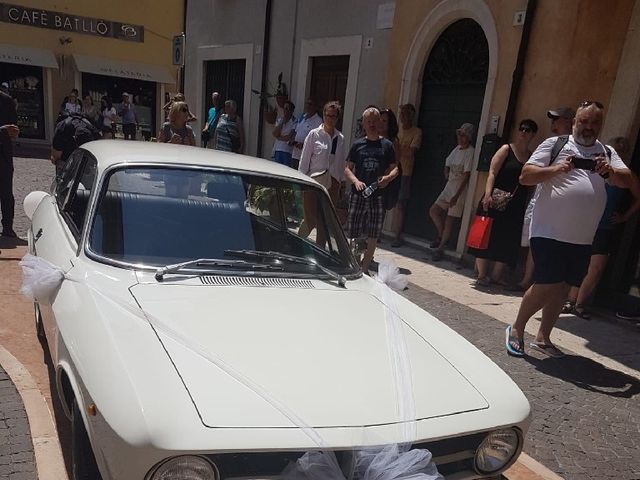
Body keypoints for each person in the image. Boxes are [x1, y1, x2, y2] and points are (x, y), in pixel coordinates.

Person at [506, 101, 633, 358]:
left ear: (600, 125)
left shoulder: (606, 152)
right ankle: (517, 328)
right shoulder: (556, 145)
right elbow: (526, 176)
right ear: (575, 122)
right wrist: (558, 168)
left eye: (594, 122)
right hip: (549, 230)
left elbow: (627, 180)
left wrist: (608, 173)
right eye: (583, 121)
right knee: (547, 284)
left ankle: (543, 337)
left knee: (563, 288)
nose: (588, 127)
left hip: (583, 237)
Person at [562, 136, 640, 318]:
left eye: (622, 150)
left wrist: (624, 217)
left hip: (605, 227)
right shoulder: (593, 167)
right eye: (614, 150)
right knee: (580, 264)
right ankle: (570, 300)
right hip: (586, 222)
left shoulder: (625, 174)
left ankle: (578, 304)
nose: (616, 153)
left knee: (595, 268)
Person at [510, 107, 575, 292]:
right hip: (539, 201)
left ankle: (537, 282)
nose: (553, 123)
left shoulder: (578, 147)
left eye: (558, 119)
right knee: (532, 242)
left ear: (569, 121)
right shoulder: (550, 143)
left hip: (558, 207)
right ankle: (527, 279)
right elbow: (527, 175)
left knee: (547, 244)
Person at [470, 120, 538, 286]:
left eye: (527, 130)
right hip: (495, 198)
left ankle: (496, 276)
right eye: (521, 128)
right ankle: (482, 275)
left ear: (533, 134)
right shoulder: (506, 149)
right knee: (486, 232)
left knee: (507, 238)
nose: (523, 132)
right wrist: (487, 194)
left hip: (516, 203)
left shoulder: (531, 157)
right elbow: (492, 172)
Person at [344, 107, 398, 274]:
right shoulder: (357, 144)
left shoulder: (387, 145)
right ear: (364, 124)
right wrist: (355, 180)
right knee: (354, 232)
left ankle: (364, 268)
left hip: (378, 196)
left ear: (380, 123)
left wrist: (387, 179)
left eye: (375, 120)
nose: (372, 124)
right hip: (358, 195)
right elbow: (347, 168)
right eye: (369, 121)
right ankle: (355, 265)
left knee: (373, 233)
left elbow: (395, 169)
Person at [298, 101, 345, 241]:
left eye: (333, 116)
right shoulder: (314, 135)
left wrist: (341, 183)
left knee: (325, 222)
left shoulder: (340, 138)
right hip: (313, 182)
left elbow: (341, 162)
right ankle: (297, 244)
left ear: (337, 118)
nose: (330, 119)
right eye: (327, 115)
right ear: (323, 115)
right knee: (310, 219)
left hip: (332, 184)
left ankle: (320, 250)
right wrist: (301, 181)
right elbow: (304, 159)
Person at [429, 123, 475, 261]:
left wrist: (456, 196)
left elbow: (467, 176)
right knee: (433, 211)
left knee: (450, 219)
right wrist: (446, 171)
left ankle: (441, 247)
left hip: (458, 191)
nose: (460, 137)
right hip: (448, 188)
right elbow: (447, 162)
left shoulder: (470, 152)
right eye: (459, 134)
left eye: (463, 135)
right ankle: (441, 236)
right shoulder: (457, 149)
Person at [391, 104, 422, 247]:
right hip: (392, 170)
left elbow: (411, 151)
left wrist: (398, 148)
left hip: (406, 172)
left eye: (406, 114)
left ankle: (397, 235)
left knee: (400, 204)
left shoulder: (416, 132)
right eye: (401, 114)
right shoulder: (396, 130)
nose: (403, 117)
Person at [0, 88, 19, 238]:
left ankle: (8, 227)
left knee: (6, 193)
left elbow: (14, 129)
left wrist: (11, 132)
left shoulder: (6, 101)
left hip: (4, 154)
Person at [291, 98, 322, 169]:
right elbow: (296, 132)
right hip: (295, 155)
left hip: (306, 157)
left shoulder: (318, 121)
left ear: (316, 107)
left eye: (310, 104)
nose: (308, 106)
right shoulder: (302, 117)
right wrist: (292, 141)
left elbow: (318, 140)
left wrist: (304, 145)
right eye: (307, 104)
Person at [272, 100, 296, 165]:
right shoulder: (279, 120)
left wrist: (279, 138)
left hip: (287, 151)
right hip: (277, 149)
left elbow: (289, 137)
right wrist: (282, 122)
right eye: (284, 108)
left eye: (287, 108)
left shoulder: (295, 121)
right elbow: (274, 133)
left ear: (291, 111)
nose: (285, 110)